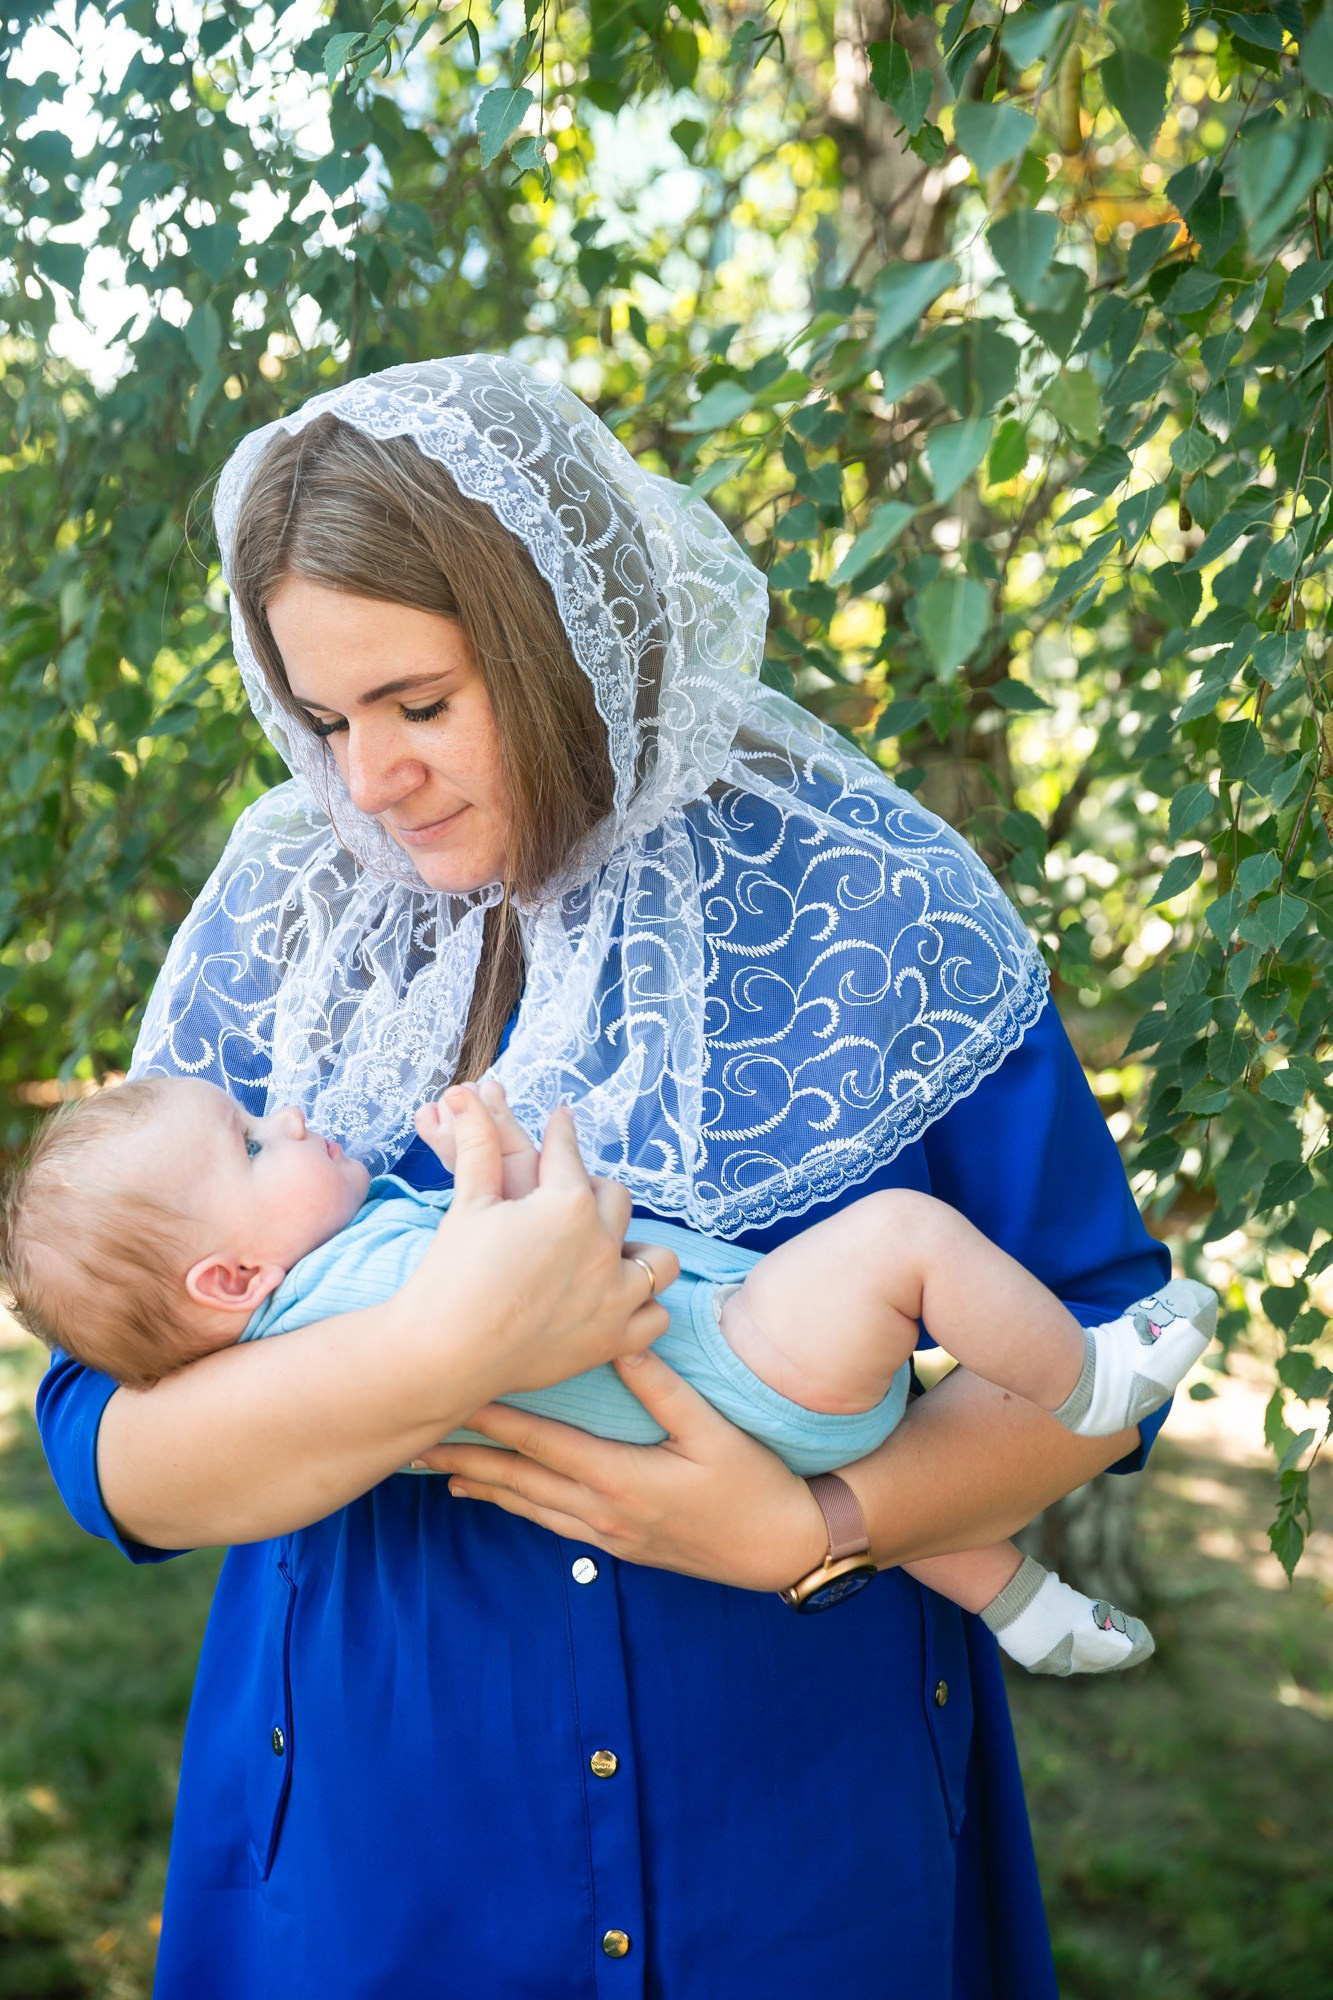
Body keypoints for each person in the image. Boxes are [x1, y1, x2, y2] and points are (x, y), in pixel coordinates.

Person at [34, 356, 1181, 1997]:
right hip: (380, 1873)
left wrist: (808, 1523)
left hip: (797, 1856)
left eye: (419, 705)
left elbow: (1103, 1367)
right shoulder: (286, 927)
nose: (367, 781)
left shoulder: (869, 901)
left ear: (563, 639)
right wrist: (443, 1352)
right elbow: (103, 1445)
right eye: (326, 717)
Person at [11, 1069, 1215, 1677]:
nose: (286, 1114)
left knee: (890, 1487)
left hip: (729, 1437)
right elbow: (534, 1261)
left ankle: (1025, 1606)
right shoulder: (349, 1285)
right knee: (900, 1236)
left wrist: (814, 1530)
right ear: (230, 1279)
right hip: (744, 1360)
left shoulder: (308, 1300)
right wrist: (489, 1152)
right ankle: (1088, 1380)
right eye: (253, 1141)